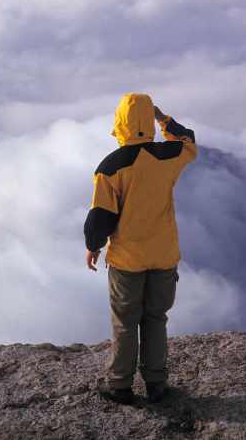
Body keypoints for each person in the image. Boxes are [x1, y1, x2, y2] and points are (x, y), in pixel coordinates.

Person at [83, 92, 197, 405]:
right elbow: (189, 141)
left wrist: (93, 246)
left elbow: (101, 217)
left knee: (125, 323)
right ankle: (157, 384)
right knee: (156, 318)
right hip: (163, 255)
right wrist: (163, 119)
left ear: (120, 122)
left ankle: (120, 385)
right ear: (148, 120)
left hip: (127, 260)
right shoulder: (168, 156)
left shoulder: (110, 168)